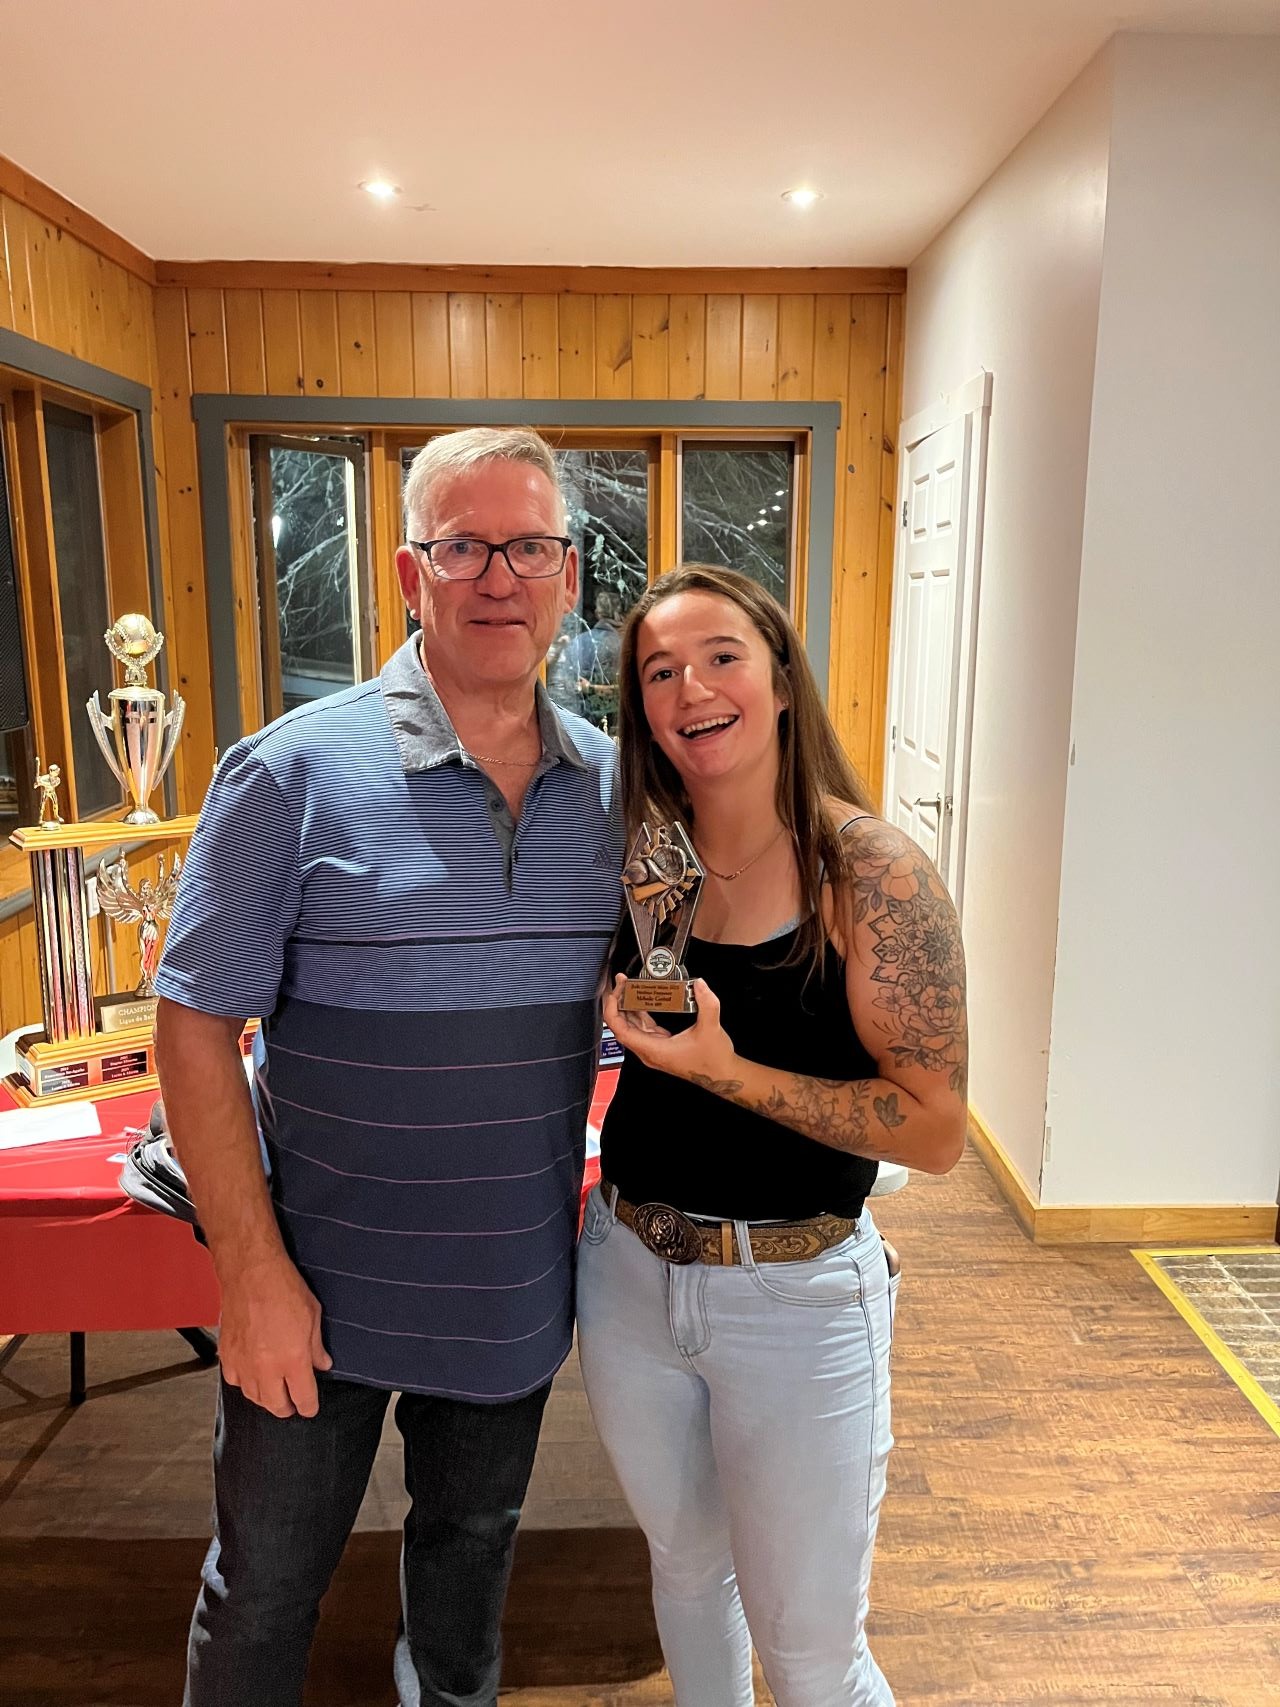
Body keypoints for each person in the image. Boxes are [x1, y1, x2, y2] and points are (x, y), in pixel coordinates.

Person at [153, 427, 623, 1707]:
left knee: (466, 1585)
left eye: (528, 547)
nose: (498, 578)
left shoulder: (612, 789)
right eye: (462, 547)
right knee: (262, 1594)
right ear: (411, 576)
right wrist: (249, 1274)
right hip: (312, 1288)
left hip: (507, 1286)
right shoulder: (287, 773)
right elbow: (192, 1028)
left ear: (567, 577)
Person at [576, 564, 968, 1707]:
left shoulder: (870, 873)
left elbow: (934, 1129)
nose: (690, 689)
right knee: (687, 1574)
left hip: (795, 1296)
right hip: (627, 1273)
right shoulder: (648, 856)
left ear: (782, 680)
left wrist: (725, 1070)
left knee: (810, 1656)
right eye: (659, 672)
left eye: (720, 658)